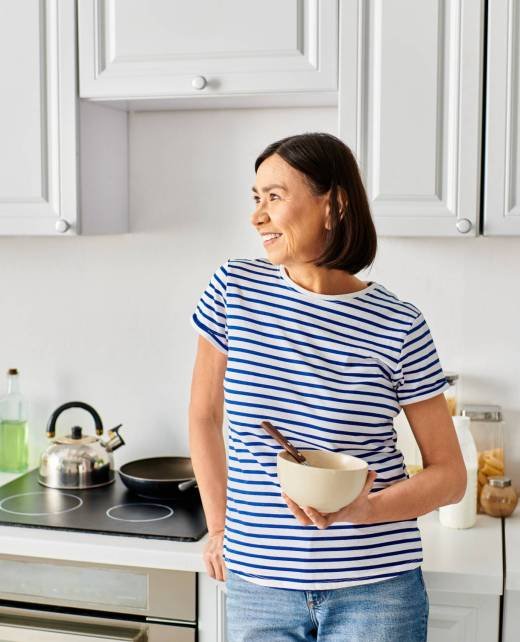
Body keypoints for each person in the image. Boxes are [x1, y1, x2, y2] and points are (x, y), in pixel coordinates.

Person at [188, 132, 467, 642]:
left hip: (377, 589)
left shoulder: (399, 325)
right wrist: (220, 526)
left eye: (275, 196)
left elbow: (449, 476)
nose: (257, 216)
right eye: (256, 199)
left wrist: (368, 509)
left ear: (334, 204)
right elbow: (204, 417)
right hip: (259, 587)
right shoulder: (234, 290)